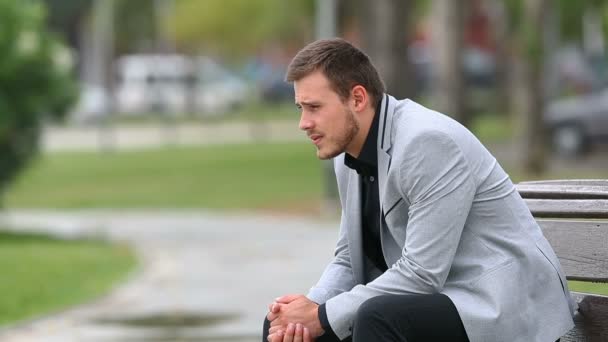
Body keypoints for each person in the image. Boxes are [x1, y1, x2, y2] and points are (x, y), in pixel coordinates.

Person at [263, 38, 575, 342]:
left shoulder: (427, 143)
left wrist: (321, 316)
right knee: (279, 327)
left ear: (357, 99)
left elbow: (422, 274)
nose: (304, 123)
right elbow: (347, 259)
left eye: (314, 107)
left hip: (499, 303)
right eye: (300, 108)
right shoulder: (345, 155)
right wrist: (306, 311)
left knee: (378, 317)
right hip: (436, 299)